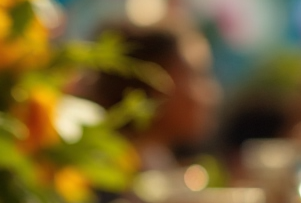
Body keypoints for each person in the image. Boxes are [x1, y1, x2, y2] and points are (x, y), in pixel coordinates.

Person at [77, 23, 219, 171]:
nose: (212, 93)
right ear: (158, 85)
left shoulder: (157, 170)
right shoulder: (101, 174)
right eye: (197, 76)